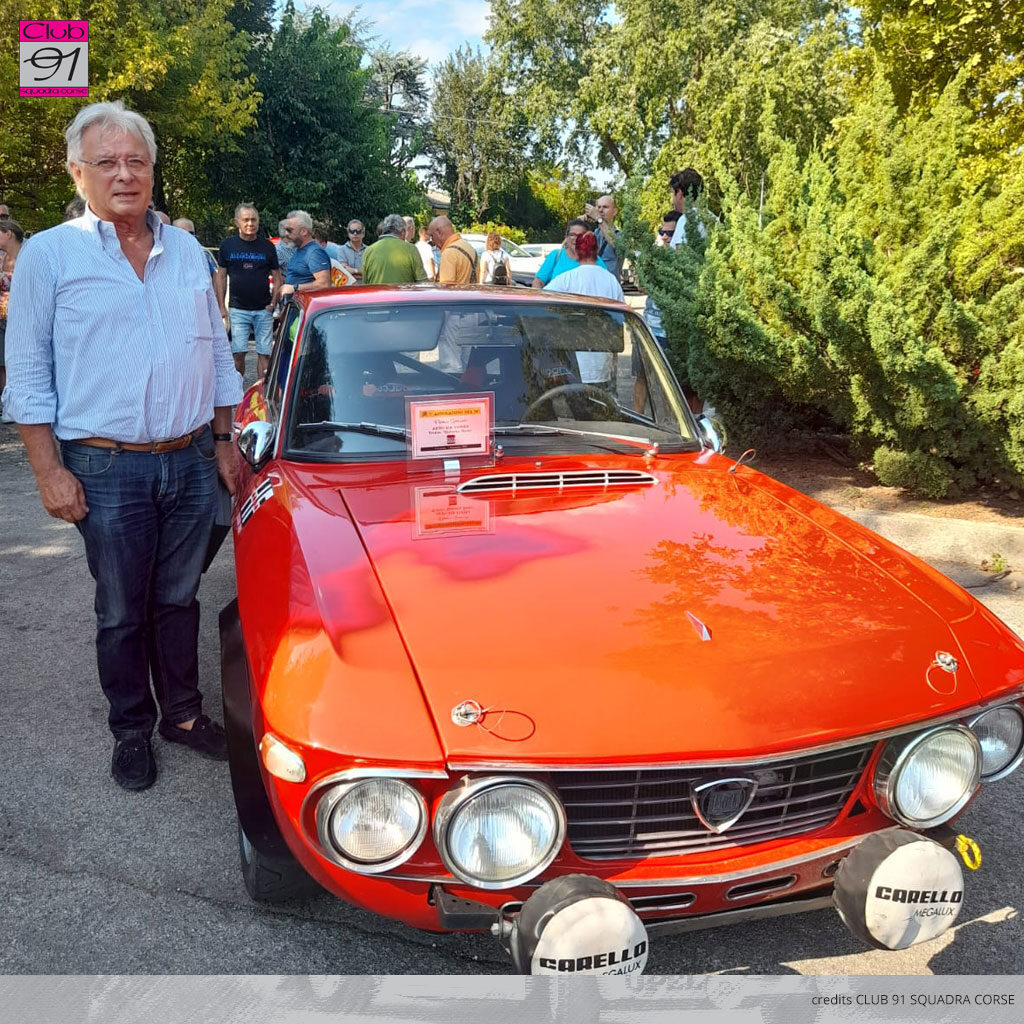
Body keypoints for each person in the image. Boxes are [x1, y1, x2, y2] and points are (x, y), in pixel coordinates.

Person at [1, 101, 243, 791]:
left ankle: (185, 716)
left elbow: (218, 356)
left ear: (153, 170)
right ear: (78, 173)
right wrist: (48, 470)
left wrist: (224, 441)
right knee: (120, 608)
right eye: (106, 162)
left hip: (192, 458)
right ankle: (131, 728)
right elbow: (28, 375)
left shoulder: (188, 251)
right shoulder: (50, 253)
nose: (125, 174)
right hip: (104, 466)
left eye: (136, 160)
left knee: (178, 597)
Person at [542, 230, 623, 387]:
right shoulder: (611, 280)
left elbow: (543, 300)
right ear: (597, 251)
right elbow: (620, 318)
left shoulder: (567, 279)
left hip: (573, 358)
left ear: (578, 252)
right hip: (603, 358)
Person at [217, 203, 281, 377]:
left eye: (253, 220)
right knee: (238, 354)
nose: (250, 224)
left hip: (263, 309)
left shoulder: (267, 247)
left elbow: (277, 277)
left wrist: (273, 303)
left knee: (265, 354)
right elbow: (220, 276)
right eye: (246, 220)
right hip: (238, 309)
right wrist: (221, 306)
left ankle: (261, 395)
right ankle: (237, 395)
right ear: (237, 222)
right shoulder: (227, 246)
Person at [531, 219, 608, 289]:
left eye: (580, 235)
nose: (576, 239)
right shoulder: (555, 256)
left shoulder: (595, 260)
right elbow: (538, 281)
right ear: (567, 237)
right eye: (572, 235)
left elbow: (605, 284)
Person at [0, 216, 24, 422]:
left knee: (17, 358)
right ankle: (7, 403)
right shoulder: (1, 258)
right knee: (2, 360)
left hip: (22, 313)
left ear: (8, 234)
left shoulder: (28, 254)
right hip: (2, 315)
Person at [361, 213, 426, 284]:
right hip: (403, 295)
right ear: (403, 232)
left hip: (377, 294)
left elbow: (365, 283)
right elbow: (422, 282)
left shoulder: (369, 250)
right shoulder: (411, 249)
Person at [279, 210, 331, 296]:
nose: (286, 234)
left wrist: (294, 288)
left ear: (304, 231)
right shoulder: (299, 250)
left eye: (289, 230)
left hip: (307, 307)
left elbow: (324, 284)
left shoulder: (314, 252)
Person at [668, 167, 715, 247]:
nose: (673, 200)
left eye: (673, 194)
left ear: (679, 193)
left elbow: (681, 256)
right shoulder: (714, 219)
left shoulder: (685, 220)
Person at [428, 216, 478, 284]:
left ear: (439, 232)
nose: (432, 241)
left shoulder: (449, 253)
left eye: (432, 236)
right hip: (471, 294)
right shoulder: (469, 247)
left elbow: (446, 289)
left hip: (458, 294)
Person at [584, 194, 621, 280]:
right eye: (598, 207)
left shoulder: (619, 235)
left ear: (615, 211)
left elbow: (616, 243)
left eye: (605, 207)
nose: (600, 210)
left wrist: (598, 219)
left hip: (609, 286)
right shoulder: (594, 233)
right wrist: (579, 226)